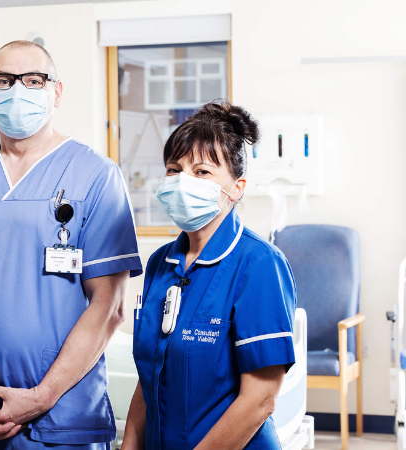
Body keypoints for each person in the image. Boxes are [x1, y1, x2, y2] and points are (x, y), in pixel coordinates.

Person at [0, 41, 143, 449]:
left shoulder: (95, 176)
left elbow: (109, 307)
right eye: (4, 80)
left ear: (55, 92)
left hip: (64, 420)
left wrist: (41, 396)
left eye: (33, 80)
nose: (17, 90)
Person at [122, 101, 297, 450]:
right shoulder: (160, 263)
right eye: (174, 170)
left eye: (201, 172)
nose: (182, 181)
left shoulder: (258, 264)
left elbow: (260, 399)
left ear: (237, 187)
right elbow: (151, 376)